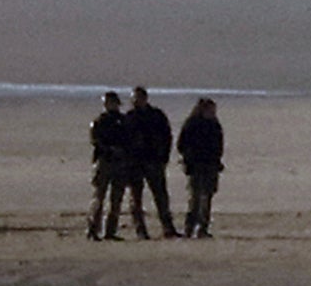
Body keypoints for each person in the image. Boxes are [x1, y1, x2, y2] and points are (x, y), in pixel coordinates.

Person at [87, 90, 144, 240]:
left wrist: (124, 152)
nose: (110, 105)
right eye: (108, 103)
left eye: (112, 103)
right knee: (99, 197)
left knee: (116, 199)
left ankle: (110, 231)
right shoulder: (99, 121)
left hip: (121, 163)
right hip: (105, 162)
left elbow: (132, 140)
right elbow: (95, 140)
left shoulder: (124, 121)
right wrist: (110, 149)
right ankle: (93, 229)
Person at [128, 86, 181, 238]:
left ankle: (168, 228)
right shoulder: (129, 117)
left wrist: (164, 156)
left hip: (154, 161)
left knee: (161, 196)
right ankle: (140, 230)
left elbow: (167, 137)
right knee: (136, 198)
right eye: (134, 98)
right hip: (136, 163)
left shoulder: (156, 116)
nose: (137, 101)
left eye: (139, 98)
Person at [175, 97, 224, 238]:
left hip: (211, 165)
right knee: (195, 198)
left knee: (207, 197)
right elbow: (181, 144)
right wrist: (188, 159)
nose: (213, 112)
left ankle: (203, 228)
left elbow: (218, 146)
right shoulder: (192, 124)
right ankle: (189, 228)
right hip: (195, 165)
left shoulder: (215, 125)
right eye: (210, 109)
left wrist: (217, 161)